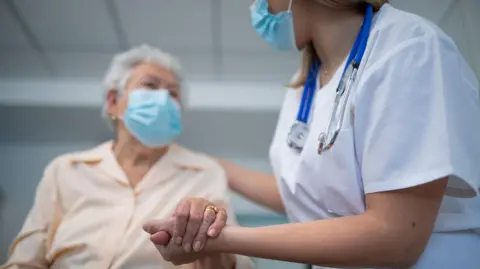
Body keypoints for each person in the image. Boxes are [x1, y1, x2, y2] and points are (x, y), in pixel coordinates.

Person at [143, 0, 480, 268]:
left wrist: (223, 239)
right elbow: (301, 194)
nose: (258, 8)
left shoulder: (406, 46)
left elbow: (396, 236)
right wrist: (209, 162)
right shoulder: (302, 87)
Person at [2, 45, 253, 269]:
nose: (163, 99)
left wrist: (212, 241)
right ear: (113, 102)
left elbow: (235, 263)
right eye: (150, 85)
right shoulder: (66, 170)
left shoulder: (204, 173)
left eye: (173, 94)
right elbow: (26, 260)